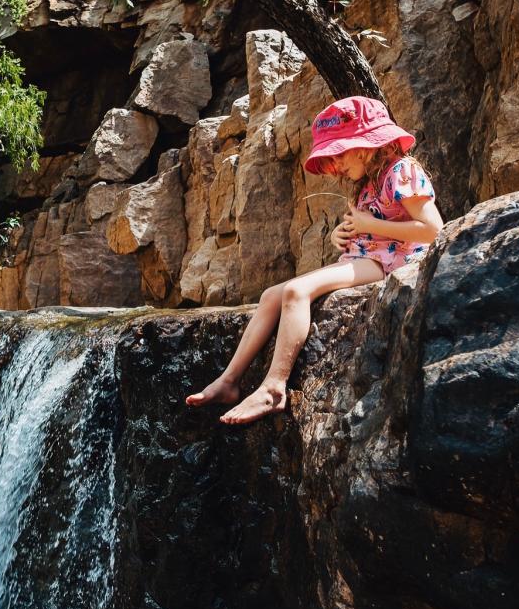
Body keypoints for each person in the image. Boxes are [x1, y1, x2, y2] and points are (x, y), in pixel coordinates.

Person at [185, 95, 444, 424]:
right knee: (271, 296)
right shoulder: (368, 181)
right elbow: (373, 224)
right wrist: (346, 233)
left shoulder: (402, 171)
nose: (335, 167)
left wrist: (369, 226)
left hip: (392, 262)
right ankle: (229, 380)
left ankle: (273, 389)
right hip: (369, 255)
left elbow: (433, 230)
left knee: (296, 293)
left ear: (365, 145)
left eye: (339, 155)